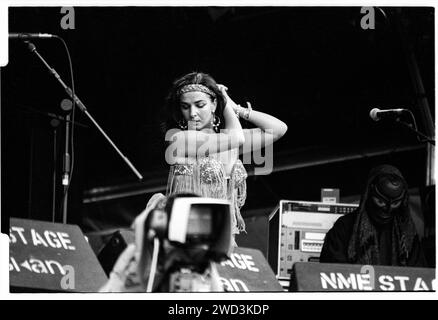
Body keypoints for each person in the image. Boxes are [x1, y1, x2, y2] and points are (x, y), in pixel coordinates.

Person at [162, 71, 288, 244]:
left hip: (224, 237)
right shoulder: (179, 139)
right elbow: (237, 138)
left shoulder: (226, 141)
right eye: (185, 107)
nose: (192, 113)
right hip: (188, 236)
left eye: (200, 105)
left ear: (214, 105)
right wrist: (225, 103)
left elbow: (278, 129)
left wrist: (236, 107)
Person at [320, 164, 426, 267]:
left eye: (395, 204)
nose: (387, 209)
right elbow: (332, 271)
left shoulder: (407, 232)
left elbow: (418, 274)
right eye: (380, 201)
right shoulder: (345, 227)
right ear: (369, 194)